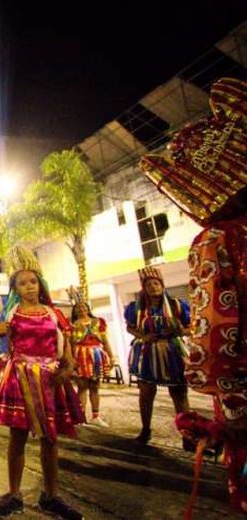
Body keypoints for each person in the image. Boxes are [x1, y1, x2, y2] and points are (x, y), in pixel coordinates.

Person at [139, 77, 247, 515]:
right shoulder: (140, 307)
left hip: (237, 376)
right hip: (154, 353)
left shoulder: (217, 240)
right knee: (151, 391)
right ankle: (147, 430)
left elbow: (208, 330)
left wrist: (209, 372)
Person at [0, 246, 84, 519]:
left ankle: (51, 496)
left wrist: (67, 368)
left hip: (50, 382)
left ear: (40, 284)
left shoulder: (54, 314)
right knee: (17, 438)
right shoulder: (11, 313)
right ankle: (14, 494)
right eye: (22, 283)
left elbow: (65, 347)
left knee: (50, 439)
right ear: (15, 288)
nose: (29, 287)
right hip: (20, 379)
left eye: (33, 281)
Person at [124, 265, 191, 447]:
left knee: (179, 393)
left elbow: (191, 327)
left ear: (162, 285)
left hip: (172, 351)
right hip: (147, 352)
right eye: (149, 285)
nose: (153, 287)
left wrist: (178, 330)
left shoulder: (177, 305)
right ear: (143, 288)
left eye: (156, 283)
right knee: (146, 393)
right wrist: (143, 336)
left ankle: (187, 435)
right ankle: (145, 430)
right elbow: (130, 326)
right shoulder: (136, 308)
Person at [69, 298, 114, 427]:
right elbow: (71, 344)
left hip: (96, 355)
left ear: (88, 309)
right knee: (82, 387)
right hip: (80, 356)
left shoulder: (98, 322)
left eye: (84, 307)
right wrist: (72, 361)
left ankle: (96, 416)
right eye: (78, 308)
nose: (81, 310)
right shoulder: (72, 325)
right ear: (75, 311)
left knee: (95, 386)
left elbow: (105, 341)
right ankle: (80, 417)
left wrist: (111, 357)